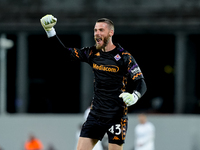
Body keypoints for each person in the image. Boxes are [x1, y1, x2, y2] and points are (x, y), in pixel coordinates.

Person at [40, 15, 147, 150]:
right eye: (95, 30)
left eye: (101, 30)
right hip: (95, 115)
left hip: (116, 117)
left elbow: (141, 82)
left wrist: (134, 96)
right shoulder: (92, 52)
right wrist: (50, 31)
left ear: (111, 33)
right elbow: (65, 54)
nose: (97, 33)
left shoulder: (124, 57)